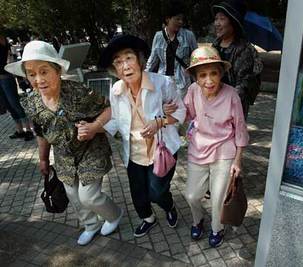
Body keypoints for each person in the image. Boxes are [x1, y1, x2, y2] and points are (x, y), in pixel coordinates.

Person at [4, 40, 123, 246]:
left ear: (58, 70)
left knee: (88, 196)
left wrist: (94, 127)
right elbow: (41, 132)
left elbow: (108, 109)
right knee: (73, 194)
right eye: (31, 74)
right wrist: (42, 159)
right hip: (63, 155)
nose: (38, 79)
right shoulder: (31, 102)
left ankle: (114, 215)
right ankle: (91, 225)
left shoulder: (78, 91)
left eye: (44, 71)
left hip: (90, 149)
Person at [98, 34, 186, 238]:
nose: (125, 65)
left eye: (128, 58)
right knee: (138, 194)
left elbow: (181, 113)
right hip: (134, 153)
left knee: (157, 192)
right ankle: (148, 219)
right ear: (115, 69)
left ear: (139, 59)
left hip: (161, 151)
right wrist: (93, 128)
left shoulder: (163, 83)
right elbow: (117, 120)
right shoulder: (116, 90)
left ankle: (169, 206)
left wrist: (160, 121)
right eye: (118, 62)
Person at [183, 46, 249, 248]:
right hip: (198, 148)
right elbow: (187, 114)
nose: (209, 80)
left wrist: (238, 160)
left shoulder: (232, 95)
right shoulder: (193, 91)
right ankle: (197, 220)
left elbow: (240, 129)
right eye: (202, 75)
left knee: (218, 197)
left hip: (224, 151)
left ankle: (216, 228)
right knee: (191, 195)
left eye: (213, 73)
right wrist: (170, 111)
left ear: (221, 73)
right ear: (195, 77)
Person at [212, 0, 263, 120]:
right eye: (216, 19)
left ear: (233, 22)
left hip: (233, 108)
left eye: (222, 19)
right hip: (212, 104)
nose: (217, 24)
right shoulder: (215, 46)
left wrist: (223, 103)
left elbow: (243, 85)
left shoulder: (243, 50)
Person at [145, 0, 198, 98]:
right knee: (166, 109)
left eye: (182, 19)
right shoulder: (158, 36)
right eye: (177, 19)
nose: (180, 22)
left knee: (182, 109)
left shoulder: (188, 35)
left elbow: (197, 56)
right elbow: (152, 60)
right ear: (168, 19)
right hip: (163, 81)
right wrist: (144, 77)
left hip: (182, 82)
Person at [0, 35, 34, 141]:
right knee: (8, 105)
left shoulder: (2, 39)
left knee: (14, 103)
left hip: (5, 77)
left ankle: (28, 130)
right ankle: (20, 130)